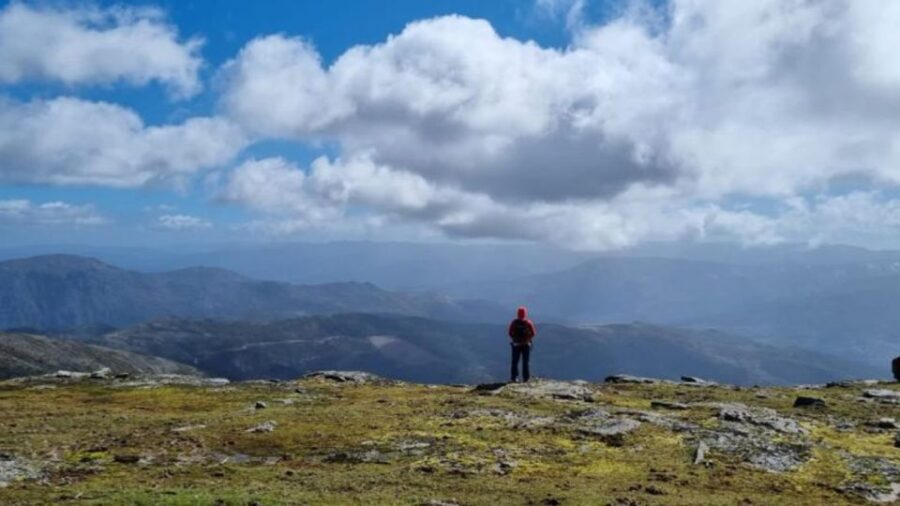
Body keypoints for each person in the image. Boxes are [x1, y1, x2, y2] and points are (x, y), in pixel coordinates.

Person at [508, 306, 537, 383]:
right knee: (525, 362)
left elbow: (510, 333)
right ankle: (526, 378)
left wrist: (515, 339)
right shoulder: (528, 323)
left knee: (515, 361)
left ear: (517, 314)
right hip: (526, 345)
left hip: (516, 345)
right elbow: (534, 333)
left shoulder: (514, 322)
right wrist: (528, 339)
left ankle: (514, 378)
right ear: (525, 314)